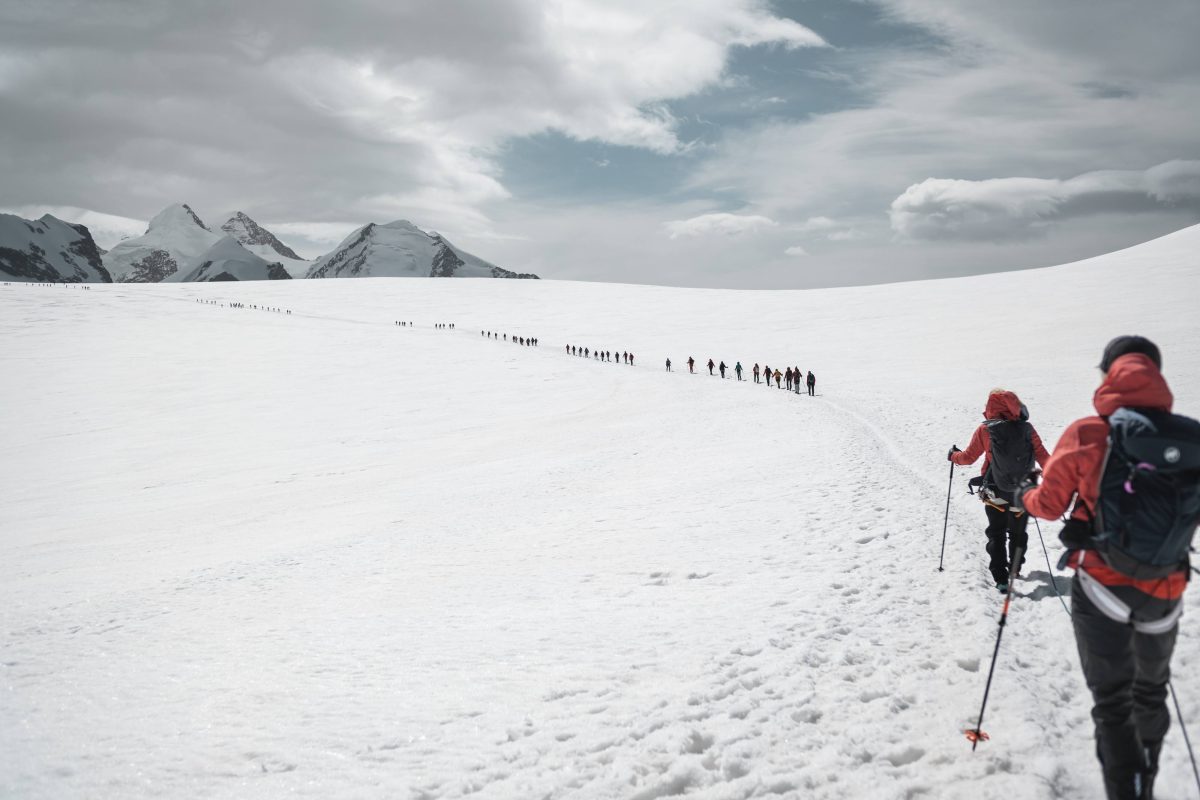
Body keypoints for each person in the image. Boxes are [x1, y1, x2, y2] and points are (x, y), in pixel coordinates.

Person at [1019, 337, 1193, 800]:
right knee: (1151, 693)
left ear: (1109, 375)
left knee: (1113, 701)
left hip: (1102, 587)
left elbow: (1049, 505)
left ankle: (1125, 789)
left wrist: (1023, 496)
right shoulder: (1189, 437)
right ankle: (1146, 779)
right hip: (1166, 588)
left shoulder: (1087, 433)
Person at [949, 389, 1050, 591]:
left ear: (990, 407)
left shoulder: (985, 430)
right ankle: (1015, 569)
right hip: (1023, 491)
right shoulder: (1027, 429)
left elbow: (968, 458)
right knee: (1018, 532)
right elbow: (1044, 457)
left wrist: (953, 456)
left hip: (995, 491)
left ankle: (1001, 579)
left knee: (996, 533)